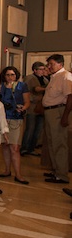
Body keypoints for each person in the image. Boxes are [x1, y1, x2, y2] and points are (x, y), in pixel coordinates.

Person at [0, 66, 30, 184]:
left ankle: (18, 174)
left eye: (12, 74)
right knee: (5, 145)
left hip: (16, 118)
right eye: (8, 75)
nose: (10, 77)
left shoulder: (22, 86)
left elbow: (27, 101)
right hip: (3, 118)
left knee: (15, 147)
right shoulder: (0, 86)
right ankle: (7, 170)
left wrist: (23, 108)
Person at [43, 54, 72, 184]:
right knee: (51, 142)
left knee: (59, 143)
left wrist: (65, 116)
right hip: (50, 112)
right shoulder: (54, 77)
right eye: (48, 64)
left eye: (52, 64)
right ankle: (56, 170)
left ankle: (62, 174)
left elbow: (70, 97)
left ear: (60, 64)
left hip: (59, 112)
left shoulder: (65, 76)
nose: (49, 67)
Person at [21, 62, 48, 156]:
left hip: (42, 107)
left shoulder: (45, 80)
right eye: (40, 69)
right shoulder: (29, 78)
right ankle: (24, 148)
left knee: (38, 129)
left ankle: (32, 148)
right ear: (35, 70)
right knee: (30, 128)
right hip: (32, 107)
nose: (42, 71)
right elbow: (25, 92)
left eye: (43, 69)